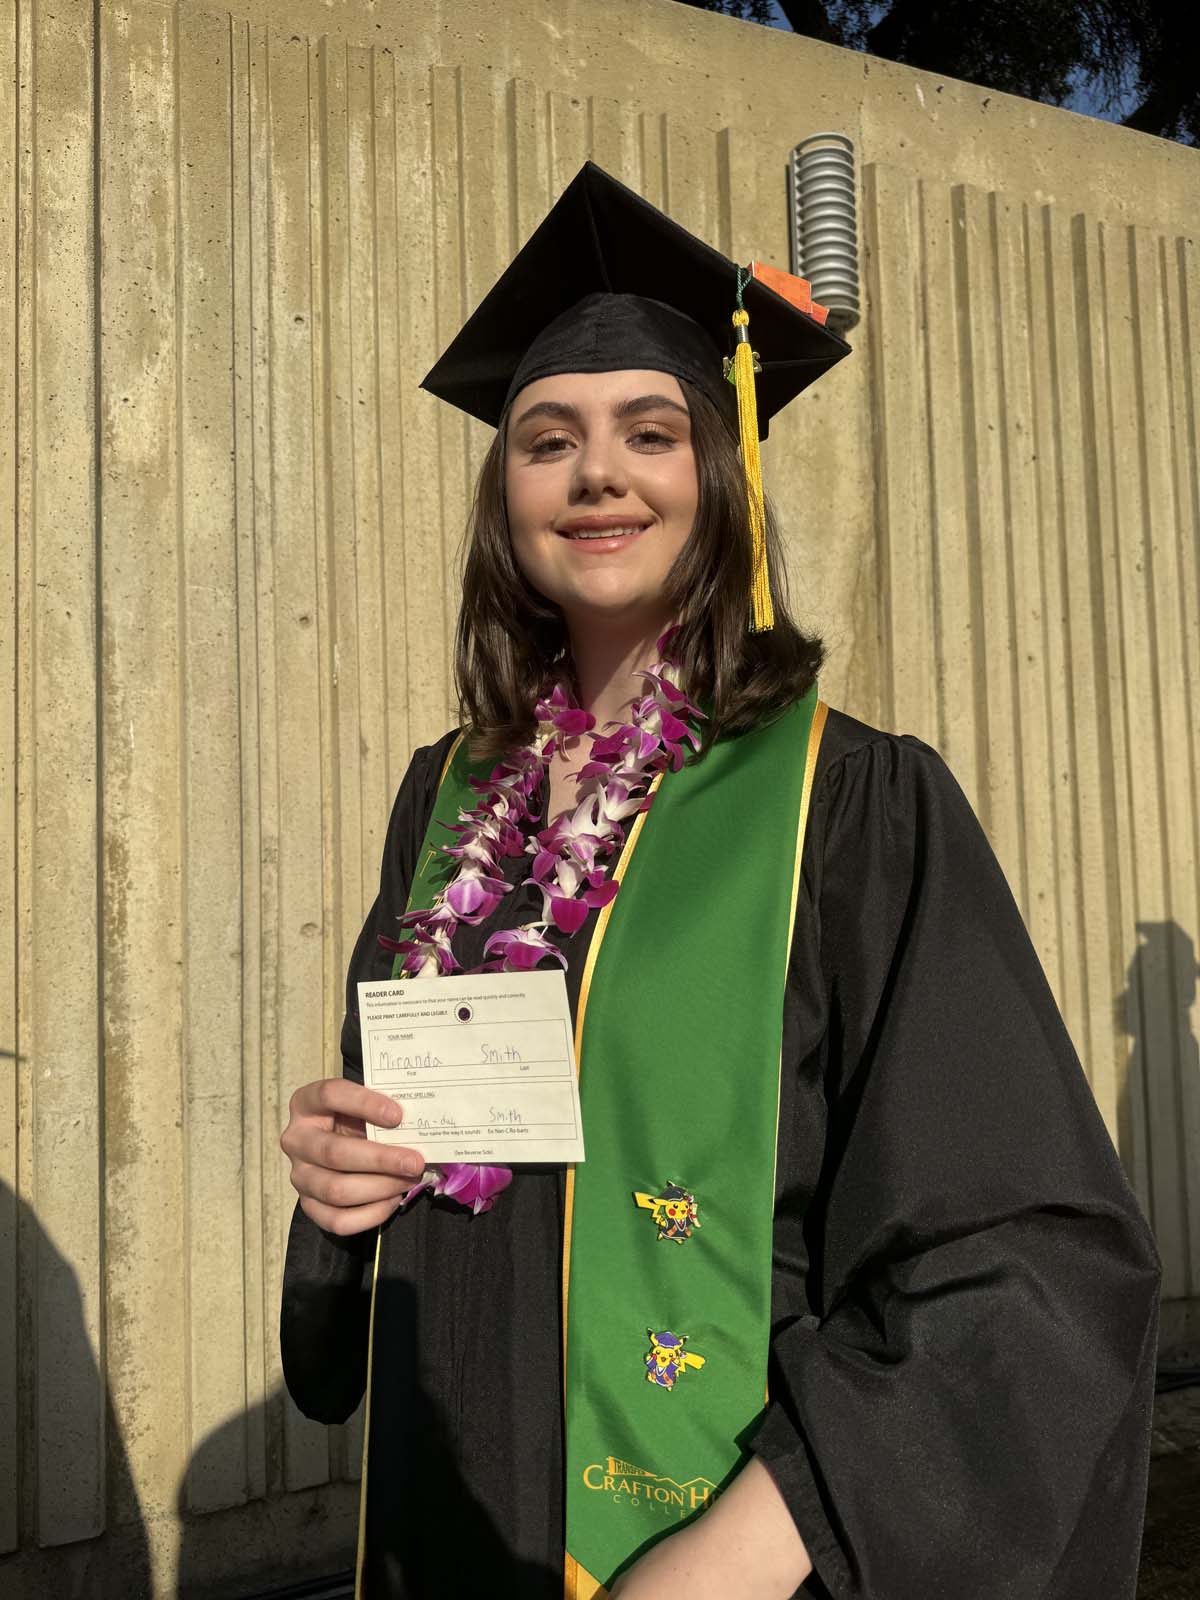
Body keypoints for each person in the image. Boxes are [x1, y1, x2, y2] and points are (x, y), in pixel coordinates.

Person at [279, 163, 1161, 1600]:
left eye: (652, 431)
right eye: (547, 438)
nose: (598, 473)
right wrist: (334, 1194)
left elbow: (1028, 1259)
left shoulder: (851, 805)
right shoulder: (441, 802)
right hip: (445, 1535)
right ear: (505, 495)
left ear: (720, 476)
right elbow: (399, 1173)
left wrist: (720, 1566)